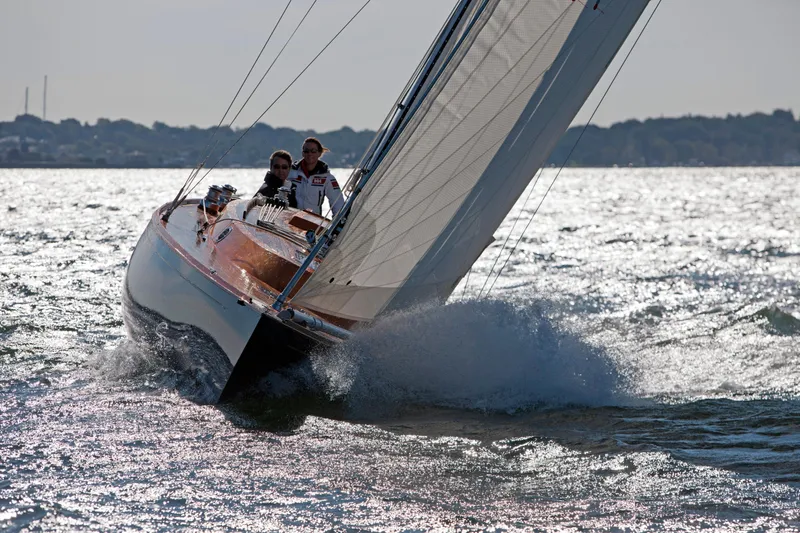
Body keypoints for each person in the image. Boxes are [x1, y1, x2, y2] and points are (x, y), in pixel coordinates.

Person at [287, 137, 344, 216]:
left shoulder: (326, 178)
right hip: (289, 218)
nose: (309, 154)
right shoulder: (291, 172)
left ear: (319, 153)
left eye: (313, 151)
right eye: (306, 151)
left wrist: (338, 220)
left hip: (312, 221)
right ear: (302, 153)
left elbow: (338, 203)